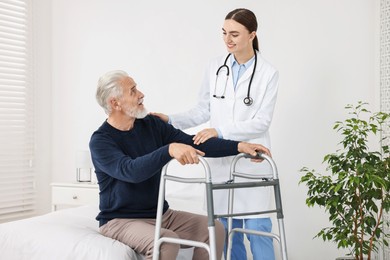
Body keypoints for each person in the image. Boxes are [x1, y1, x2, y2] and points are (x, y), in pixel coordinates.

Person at [89, 70, 272, 260]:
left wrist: (240, 146)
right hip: (120, 221)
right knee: (166, 241)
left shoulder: (150, 124)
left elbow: (194, 142)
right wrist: (168, 150)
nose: (141, 94)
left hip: (161, 214)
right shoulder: (101, 141)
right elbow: (130, 171)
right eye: (133, 91)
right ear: (115, 103)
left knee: (214, 229)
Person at [151, 8, 279, 260]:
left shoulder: (268, 73)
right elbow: (202, 110)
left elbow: (262, 121)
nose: (227, 40)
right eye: (224, 33)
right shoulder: (215, 67)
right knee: (227, 235)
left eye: (234, 34)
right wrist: (171, 119)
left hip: (250, 163)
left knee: (257, 231)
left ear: (252, 35)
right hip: (221, 164)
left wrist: (219, 131)